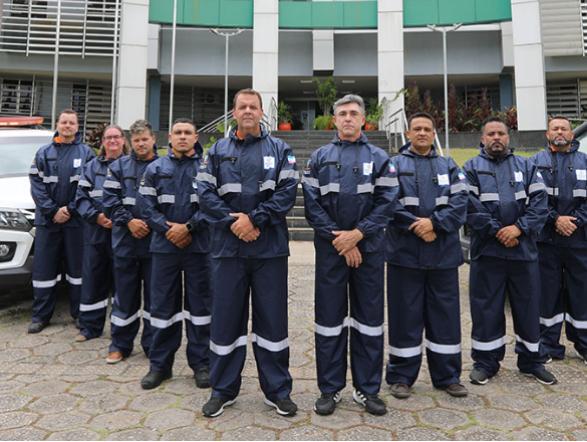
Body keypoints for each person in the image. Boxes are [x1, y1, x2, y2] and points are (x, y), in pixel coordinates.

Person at [196, 89, 299, 418]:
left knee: (272, 323)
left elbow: (287, 194)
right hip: (228, 251)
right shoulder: (216, 151)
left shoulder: (280, 149)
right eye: (242, 106)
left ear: (260, 112)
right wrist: (234, 224)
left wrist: (253, 220)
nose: (248, 111)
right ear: (234, 112)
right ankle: (223, 389)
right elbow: (205, 194)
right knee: (226, 323)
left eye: (254, 106)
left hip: (268, 250)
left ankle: (277, 390)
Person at [302, 93, 398, 417]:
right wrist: (342, 240)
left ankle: (367, 389)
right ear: (334, 120)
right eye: (342, 113)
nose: (347, 118)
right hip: (331, 253)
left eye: (353, 113)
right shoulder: (318, 157)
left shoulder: (381, 158)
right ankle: (329, 389)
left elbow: (388, 203)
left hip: (369, 252)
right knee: (329, 322)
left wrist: (359, 234)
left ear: (363, 120)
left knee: (368, 322)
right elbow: (311, 207)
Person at [462, 116, 556, 385]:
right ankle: (486, 362)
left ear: (508, 137)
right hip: (488, 253)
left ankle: (531, 361)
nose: (496, 138)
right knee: (486, 309)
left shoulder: (527, 167)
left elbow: (540, 205)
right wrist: (497, 231)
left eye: (500, 133)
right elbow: (469, 207)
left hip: (522, 252)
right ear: (482, 139)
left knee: (528, 308)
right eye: (490, 134)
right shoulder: (470, 168)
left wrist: (518, 229)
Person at [384, 113, 468, 399]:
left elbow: (460, 203)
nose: (422, 133)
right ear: (408, 133)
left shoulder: (449, 165)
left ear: (434, 134)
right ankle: (400, 376)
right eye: (417, 129)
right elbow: (387, 203)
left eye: (427, 129)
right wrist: (416, 226)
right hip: (404, 255)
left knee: (444, 318)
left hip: (442, 255)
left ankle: (447, 376)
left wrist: (435, 224)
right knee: (403, 317)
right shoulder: (393, 164)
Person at [137, 118, 213, 390]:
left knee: (201, 309)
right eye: (178, 133)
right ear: (169, 137)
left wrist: (189, 227)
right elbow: (144, 206)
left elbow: (214, 204)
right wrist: (168, 230)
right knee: (161, 309)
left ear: (196, 137)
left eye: (188, 133)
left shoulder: (207, 168)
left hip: (199, 247)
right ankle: (160, 366)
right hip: (164, 248)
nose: (183, 137)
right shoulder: (155, 167)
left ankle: (202, 365)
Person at [531, 117, 587, 367]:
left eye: (564, 128)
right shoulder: (534, 163)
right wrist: (555, 220)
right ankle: (548, 345)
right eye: (555, 128)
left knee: (583, 293)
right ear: (547, 134)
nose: (560, 132)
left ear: (572, 135)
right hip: (546, 241)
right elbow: (532, 200)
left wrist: (574, 221)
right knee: (547, 294)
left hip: (580, 240)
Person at [27, 109, 96, 334]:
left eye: (72, 123)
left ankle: (79, 314)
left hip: (76, 222)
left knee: (78, 271)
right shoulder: (43, 153)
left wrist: (70, 209)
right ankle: (41, 316)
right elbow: (36, 186)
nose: (67, 126)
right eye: (64, 122)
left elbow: (89, 186)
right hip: (48, 221)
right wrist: (53, 211)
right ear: (57, 124)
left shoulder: (87, 154)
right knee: (44, 270)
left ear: (77, 127)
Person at [101, 119, 158, 364]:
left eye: (145, 139)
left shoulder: (163, 166)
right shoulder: (119, 167)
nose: (141, 143)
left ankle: (153, 345)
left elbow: (168, 204)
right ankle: (120, 344)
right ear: (130, 142)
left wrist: (149, 224)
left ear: (153, 139)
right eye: (136, 140)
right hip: (125, 242)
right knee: (124, 297)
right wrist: (130, 222)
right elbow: (110, 200)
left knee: (156, 299)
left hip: (156, 243)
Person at [74, 124, 128, 342]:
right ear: (102, 142)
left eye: (116, 137)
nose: (112, 141)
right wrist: (95, 216)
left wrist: (120, 218)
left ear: (124, 140)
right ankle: (89, 328)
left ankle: (121, 330)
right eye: (108, 138)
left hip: (122, 234)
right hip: (96, 232)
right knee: (93, 281)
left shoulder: (130, 166)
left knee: (122, 283)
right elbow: (80, 196)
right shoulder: (91, 167)